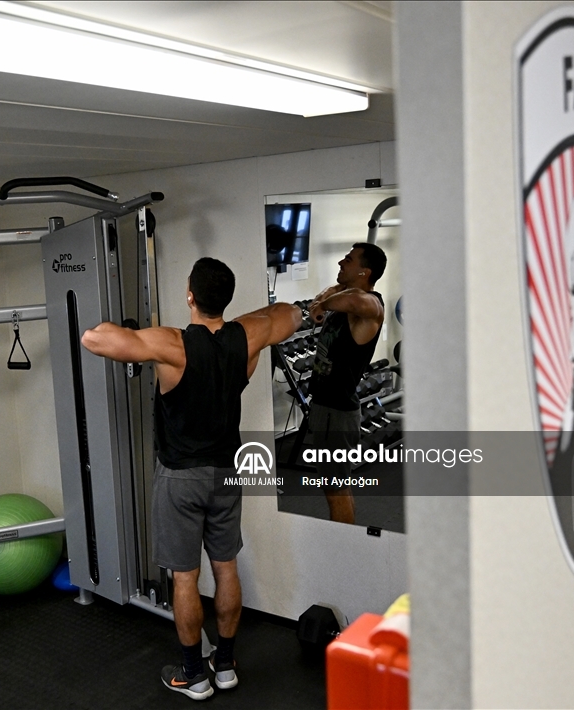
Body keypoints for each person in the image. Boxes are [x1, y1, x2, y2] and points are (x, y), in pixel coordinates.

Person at [81, 257, 303, 700]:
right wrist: (244, 320)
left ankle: (193, 675)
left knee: (185, 578)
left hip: (181, 477)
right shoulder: (247, 337)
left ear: (190, 296)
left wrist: (131, 330)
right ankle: (226, 665)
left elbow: (95, 338)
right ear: (225, 298)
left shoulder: (172, 343)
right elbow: (289, 315)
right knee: (226, 567)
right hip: (226, 473)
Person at [306, 243, 387, 524]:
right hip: (327, 409)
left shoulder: (371, 306)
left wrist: (321, 304)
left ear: (365, 272)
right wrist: (322, 300)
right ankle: (348, 539)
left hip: (336, 413)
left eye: (349, 260)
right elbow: (336, 292)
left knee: (335, 491)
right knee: (338, 485)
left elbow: (355, 301)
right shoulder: (343, 295)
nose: (341, 262)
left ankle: (342, 543)